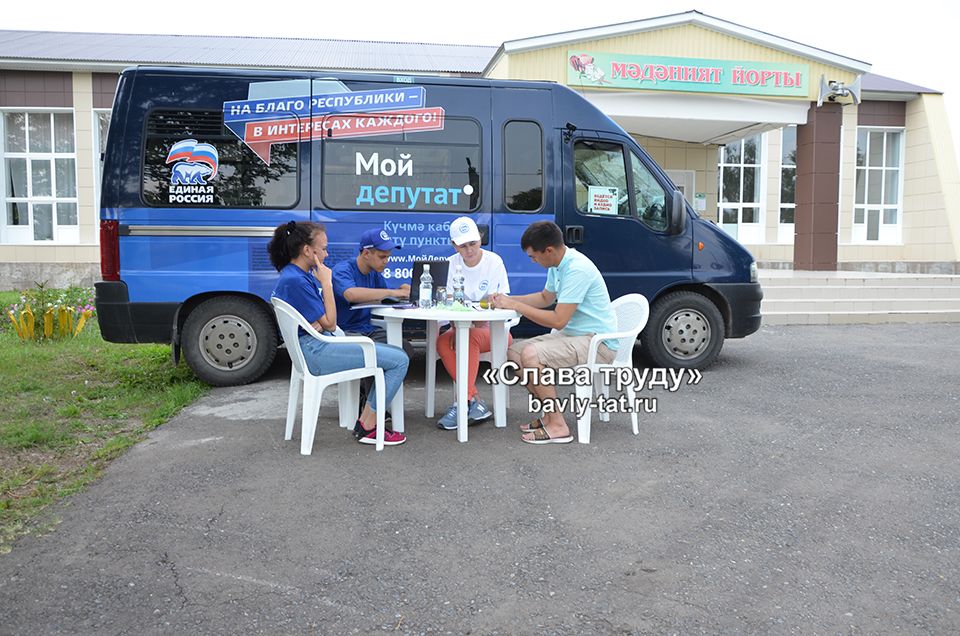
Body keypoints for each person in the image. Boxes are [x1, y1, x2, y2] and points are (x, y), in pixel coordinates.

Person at [268, 221, 408, 446]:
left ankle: (366, 420)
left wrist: (322, 322)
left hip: (314, 346)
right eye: (323, 248)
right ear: (307, 250)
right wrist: (327, 283)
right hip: (318, 351)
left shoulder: (293, 275)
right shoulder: (298, 279)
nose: (326, 253)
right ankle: (368, 426)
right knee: (400, 360)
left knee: (393, 354)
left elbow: (322, 321)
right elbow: (331, 323)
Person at [491, 220, 617, 445]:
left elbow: (559, 320)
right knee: (514, 353)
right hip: (575, 336)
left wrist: (517, 307)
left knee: (531, 355)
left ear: (548, 250)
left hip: (598, 343)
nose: (533, 261)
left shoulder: (577, 268)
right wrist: (507, 300)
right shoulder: (557, 264)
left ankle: (558, 425)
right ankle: (548, 415)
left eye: (533, 256)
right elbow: (544, 298)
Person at [435, 216, 512, 430]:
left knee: (466, 338)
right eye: (463, 246)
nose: (469, 250)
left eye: (473, 243)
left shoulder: (494, 261)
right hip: (461, 327)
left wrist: (477, 315)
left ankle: (461, 403)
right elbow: (447, 304)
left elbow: (501, 299)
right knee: (442, 342)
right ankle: (473, 400)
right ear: (454, 245)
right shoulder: (450, 264)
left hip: (495, 331)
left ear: (480, 239)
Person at [332, 228, 415, 416]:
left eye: (388, 257)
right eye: (382, 256)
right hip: (344, 333)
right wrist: (393, 293)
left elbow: (381, 297)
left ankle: (371, 402)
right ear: (366, 253)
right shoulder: (343, 270)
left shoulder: (375, 273)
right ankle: (371, 408)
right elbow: (351, 294)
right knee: (379, 353)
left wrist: (402, 292)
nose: (386, 261)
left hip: (367, 329)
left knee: (403, 348)